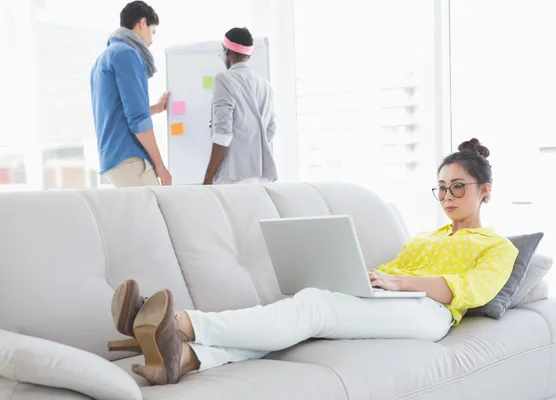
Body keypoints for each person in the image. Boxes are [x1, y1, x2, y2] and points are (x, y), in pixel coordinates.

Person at [107, 138, 518, 386]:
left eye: (458, 188)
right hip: (393, 301)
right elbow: (389, 274)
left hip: (431, 315)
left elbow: (465, 291)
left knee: (315, 306)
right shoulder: (426, 237)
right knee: (302, 316)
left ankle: (179, 323)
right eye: (442, 188)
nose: (447, 197)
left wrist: (400, 284)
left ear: (485, 191)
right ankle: (183, 359)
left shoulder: (498, 247)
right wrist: (369, 279)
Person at [91, 1, 172, 188]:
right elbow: (138, 120)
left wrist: (155, 109)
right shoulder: (127, 54)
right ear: (142, 23)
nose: (151, 41)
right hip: (129, 158)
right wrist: (160, 165)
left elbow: (116, 110)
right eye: (152, 32)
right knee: (156, 214)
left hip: (112, 159)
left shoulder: (104, 58)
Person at [203, 27, 277, 185]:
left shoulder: (223, 80)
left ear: (227, 52)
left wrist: (208, 177)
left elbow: (223, 132)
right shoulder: (265, 85)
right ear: (248, 54)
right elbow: (271, 128)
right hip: (262, 176)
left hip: (234, 176)